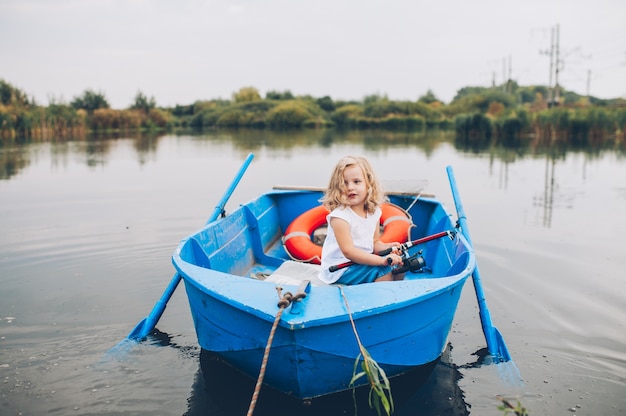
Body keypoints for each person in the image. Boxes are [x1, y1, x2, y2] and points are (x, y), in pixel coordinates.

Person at [318, 156, 405, 284]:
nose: (350, 187)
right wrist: (381, 261)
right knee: (384, 270)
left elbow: (374, 243)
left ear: (368, 183)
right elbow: (349, 251)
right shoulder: (340, 217)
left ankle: (396, 295)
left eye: (356, 182)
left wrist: (388, 247)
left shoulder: (374, 212)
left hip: (360, 263)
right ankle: (381, 300)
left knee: (401, 265)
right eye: (344, 183)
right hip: (340, 269)